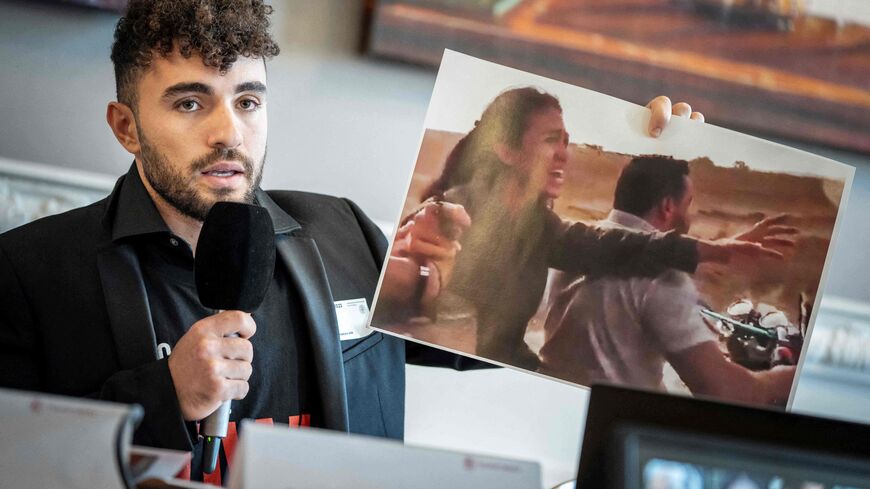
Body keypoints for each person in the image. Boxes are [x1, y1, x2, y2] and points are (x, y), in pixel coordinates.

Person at [0, 0, 715, 483]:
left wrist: (642, 138)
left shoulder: (343, 234)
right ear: (126, 126)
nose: (229, 131)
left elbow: (497, 322)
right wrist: (165, 395)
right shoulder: (30, 274)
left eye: (248, 100)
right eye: (190, 102)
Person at [389, 88, 784, 371]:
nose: (565, 152)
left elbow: (609, 244)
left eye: (567, 140)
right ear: (505, 150)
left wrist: (716, 249)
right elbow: (406, 335)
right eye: (550, 140)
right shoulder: (448, 214)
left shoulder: (536, 225)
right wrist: (416, 278)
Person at [538, 155, 797, 404]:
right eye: (688, 204)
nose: (690, 216)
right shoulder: (663, 277)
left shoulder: (581, 246)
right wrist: (786, 378)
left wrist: (716, 250)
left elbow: (627, 268)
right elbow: (726, 391)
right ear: (667, 207)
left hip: (549, 397)